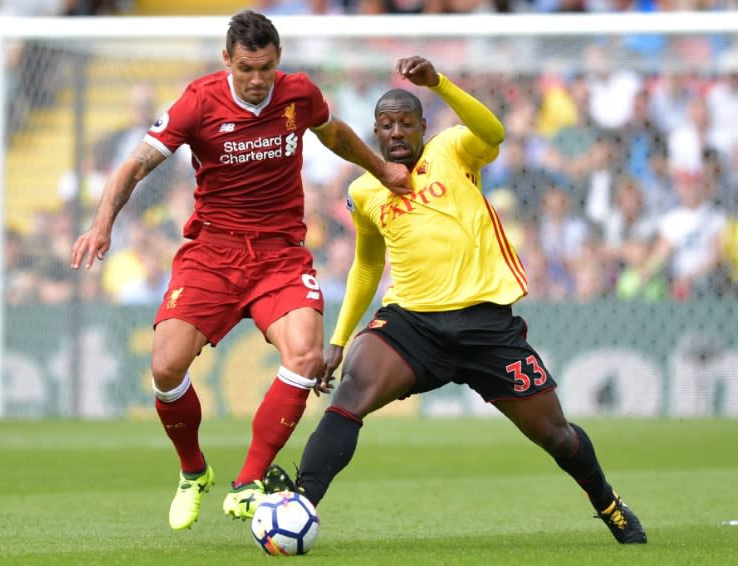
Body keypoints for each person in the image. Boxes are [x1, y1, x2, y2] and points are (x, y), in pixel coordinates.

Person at [266, 55, 647, 545]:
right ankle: (301, 504)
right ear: (376, 132)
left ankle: (609, 505)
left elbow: (494, 132)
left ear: (424, 127)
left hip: (487, 325)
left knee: (555, 434)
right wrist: (339, 340)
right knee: (352, 391)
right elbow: (366, 265)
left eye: (407, 122)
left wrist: (440, 83)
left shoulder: (453, 149)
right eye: (387, 125)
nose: (397, 132)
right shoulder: (365, 190)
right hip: (411, 325)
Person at [70, 9, 411, 532]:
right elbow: (134, 165)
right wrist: (101, 225)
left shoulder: (298, 94)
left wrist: (382, 169)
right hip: (212, 253)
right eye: (247, 68)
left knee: (306, 356)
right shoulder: (198, 102)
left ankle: (248, 481)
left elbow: (335, 134)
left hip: (279, 254)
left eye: (267, 68)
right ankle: (192, 471)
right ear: (227, 59)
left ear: (279, 61)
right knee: (164, 368)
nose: (257, 80)